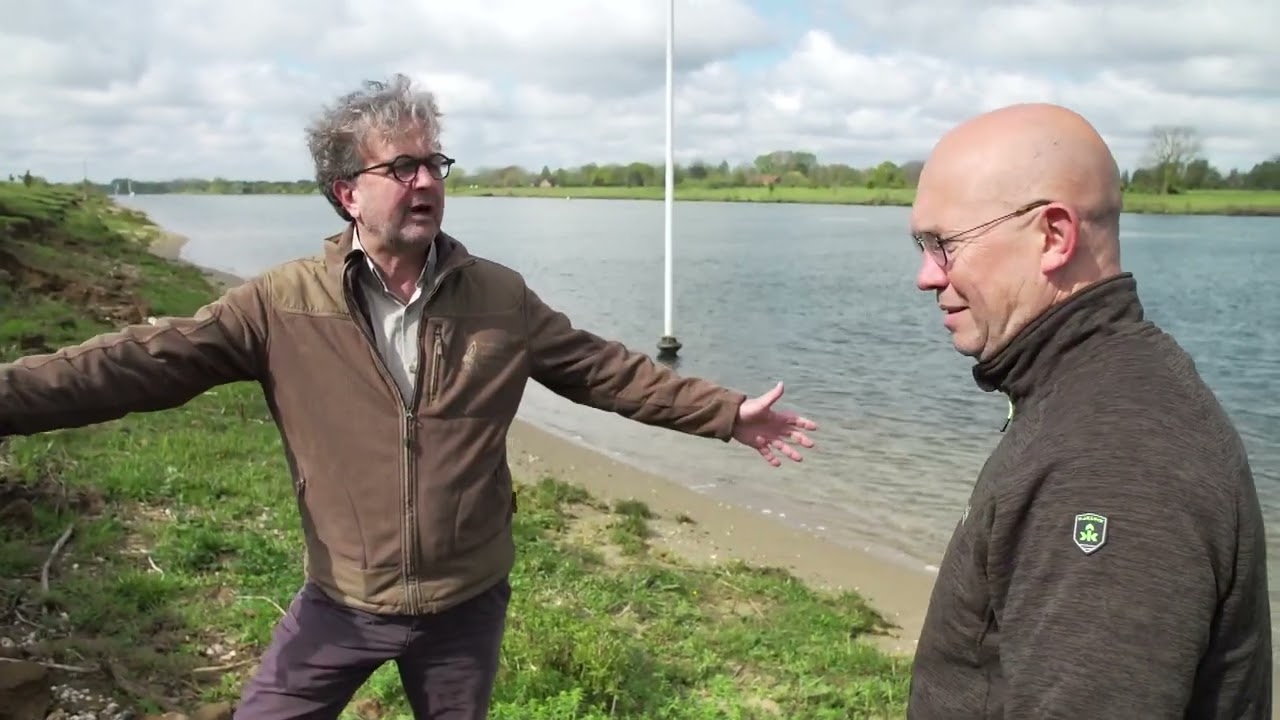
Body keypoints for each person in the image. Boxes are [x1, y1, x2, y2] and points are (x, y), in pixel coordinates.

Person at [0, 74, 818, 719]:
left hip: (467, 603)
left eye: (434, 164)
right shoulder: (281, 303)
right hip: (343, 599)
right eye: (402, 167)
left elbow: (603, 370)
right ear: (347, 192)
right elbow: (135, 363)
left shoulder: (498, 296)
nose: (426, 180)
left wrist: (724, 413)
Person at [905, 102, 1271, 718]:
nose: (926, 276)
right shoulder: (1085, 392)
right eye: (922, 245)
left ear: (1054, 236)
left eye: (944, 244)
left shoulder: (1116, 459)